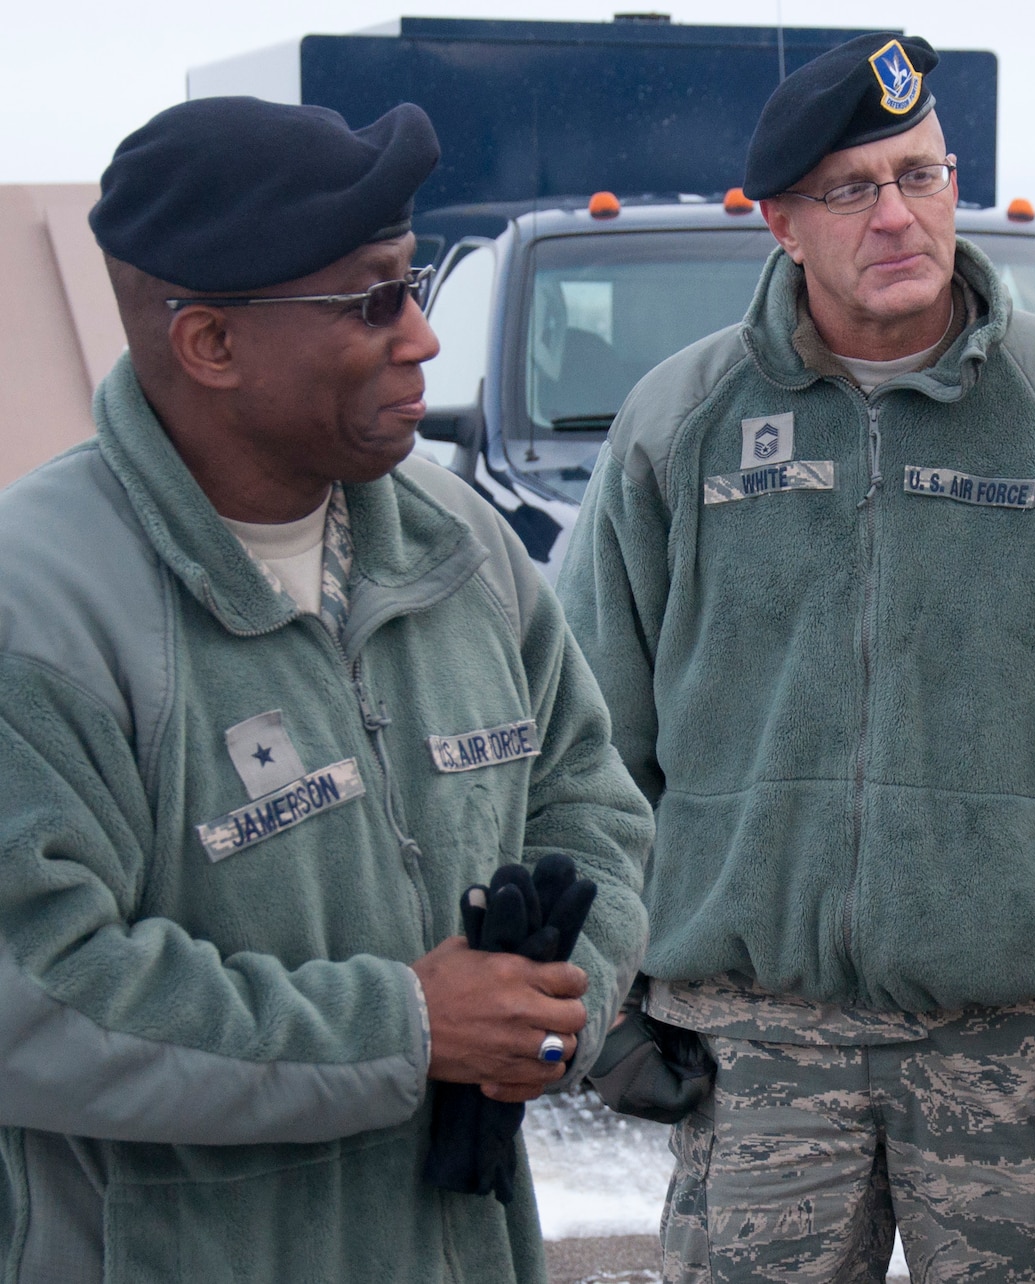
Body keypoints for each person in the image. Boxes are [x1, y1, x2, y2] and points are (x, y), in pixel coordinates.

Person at [559, 31, 1035, 1284]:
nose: (897, 215)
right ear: (780, 221)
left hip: (1016, 1058)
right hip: (754, 1049)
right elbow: (586, 742)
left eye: (922, 174)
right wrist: (599, 995)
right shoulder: (680, 428)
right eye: (851, 189)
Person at [0, 97, 652, 1283]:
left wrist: (558, 1005)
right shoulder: (39, 608)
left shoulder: (462, 548)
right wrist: (402, 1029)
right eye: (370, 300)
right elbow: (35, 995)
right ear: (209, 344)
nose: (422, 337)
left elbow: (591, 807)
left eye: (413, 285)